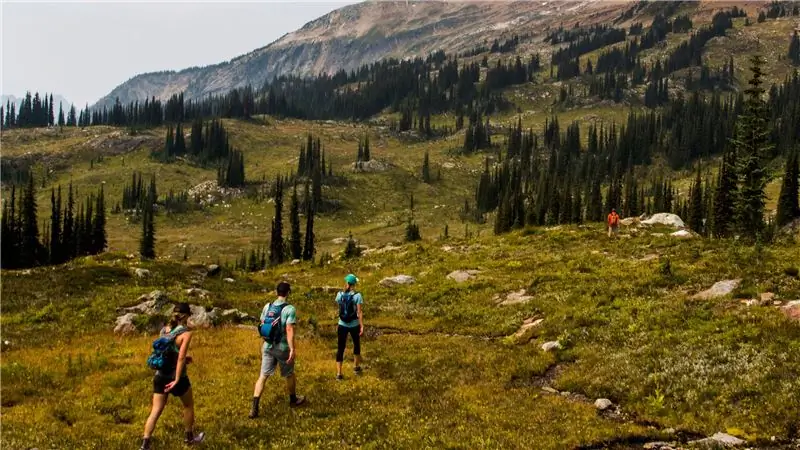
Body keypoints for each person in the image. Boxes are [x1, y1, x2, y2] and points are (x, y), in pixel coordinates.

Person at [141, 302, 205, 450]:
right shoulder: (186, 333)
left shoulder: (164, 330)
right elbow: (180, 357)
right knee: (188, 405)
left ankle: (145, 444)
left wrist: (182, 359)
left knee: (156, 410)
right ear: (187, 316)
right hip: (177, 377)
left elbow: (166, 352)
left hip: (160, 375)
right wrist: (176, 379)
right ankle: (189, 439)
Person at [249, 281, 306, 419]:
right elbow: (289, 329)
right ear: (288, 293)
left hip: (268, 346)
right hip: (282, 348)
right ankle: (293, 400)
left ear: (276, 292)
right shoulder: (289, 309)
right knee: (289, 374)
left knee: (262, 376)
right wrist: (292, 349)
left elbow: (262, 324)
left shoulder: (267, 306)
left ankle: (254, 408)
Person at [335, 274, 364, 380]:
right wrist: (361, 325)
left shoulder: (339, 294)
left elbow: (339, 306)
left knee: (340, 348)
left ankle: (339, 373)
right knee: (356, 345)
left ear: (346, 283)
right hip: (354, 324)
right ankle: (356, 368)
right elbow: (359, 312)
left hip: (342, 324)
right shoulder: (357, 295)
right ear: (354, 284)